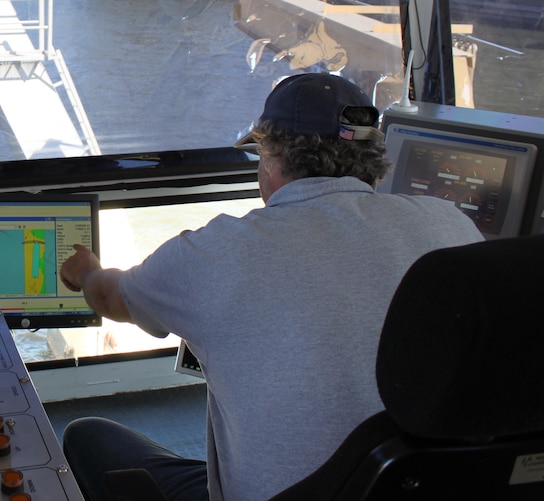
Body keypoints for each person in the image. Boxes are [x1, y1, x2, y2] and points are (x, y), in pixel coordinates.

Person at [59, 72, 485, 501]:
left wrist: (86, 272)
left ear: (272, 153)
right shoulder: (450, 224)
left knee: (88, 436)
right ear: (372, 155)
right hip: (412, 484)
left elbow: (110, 298)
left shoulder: (215, 252)